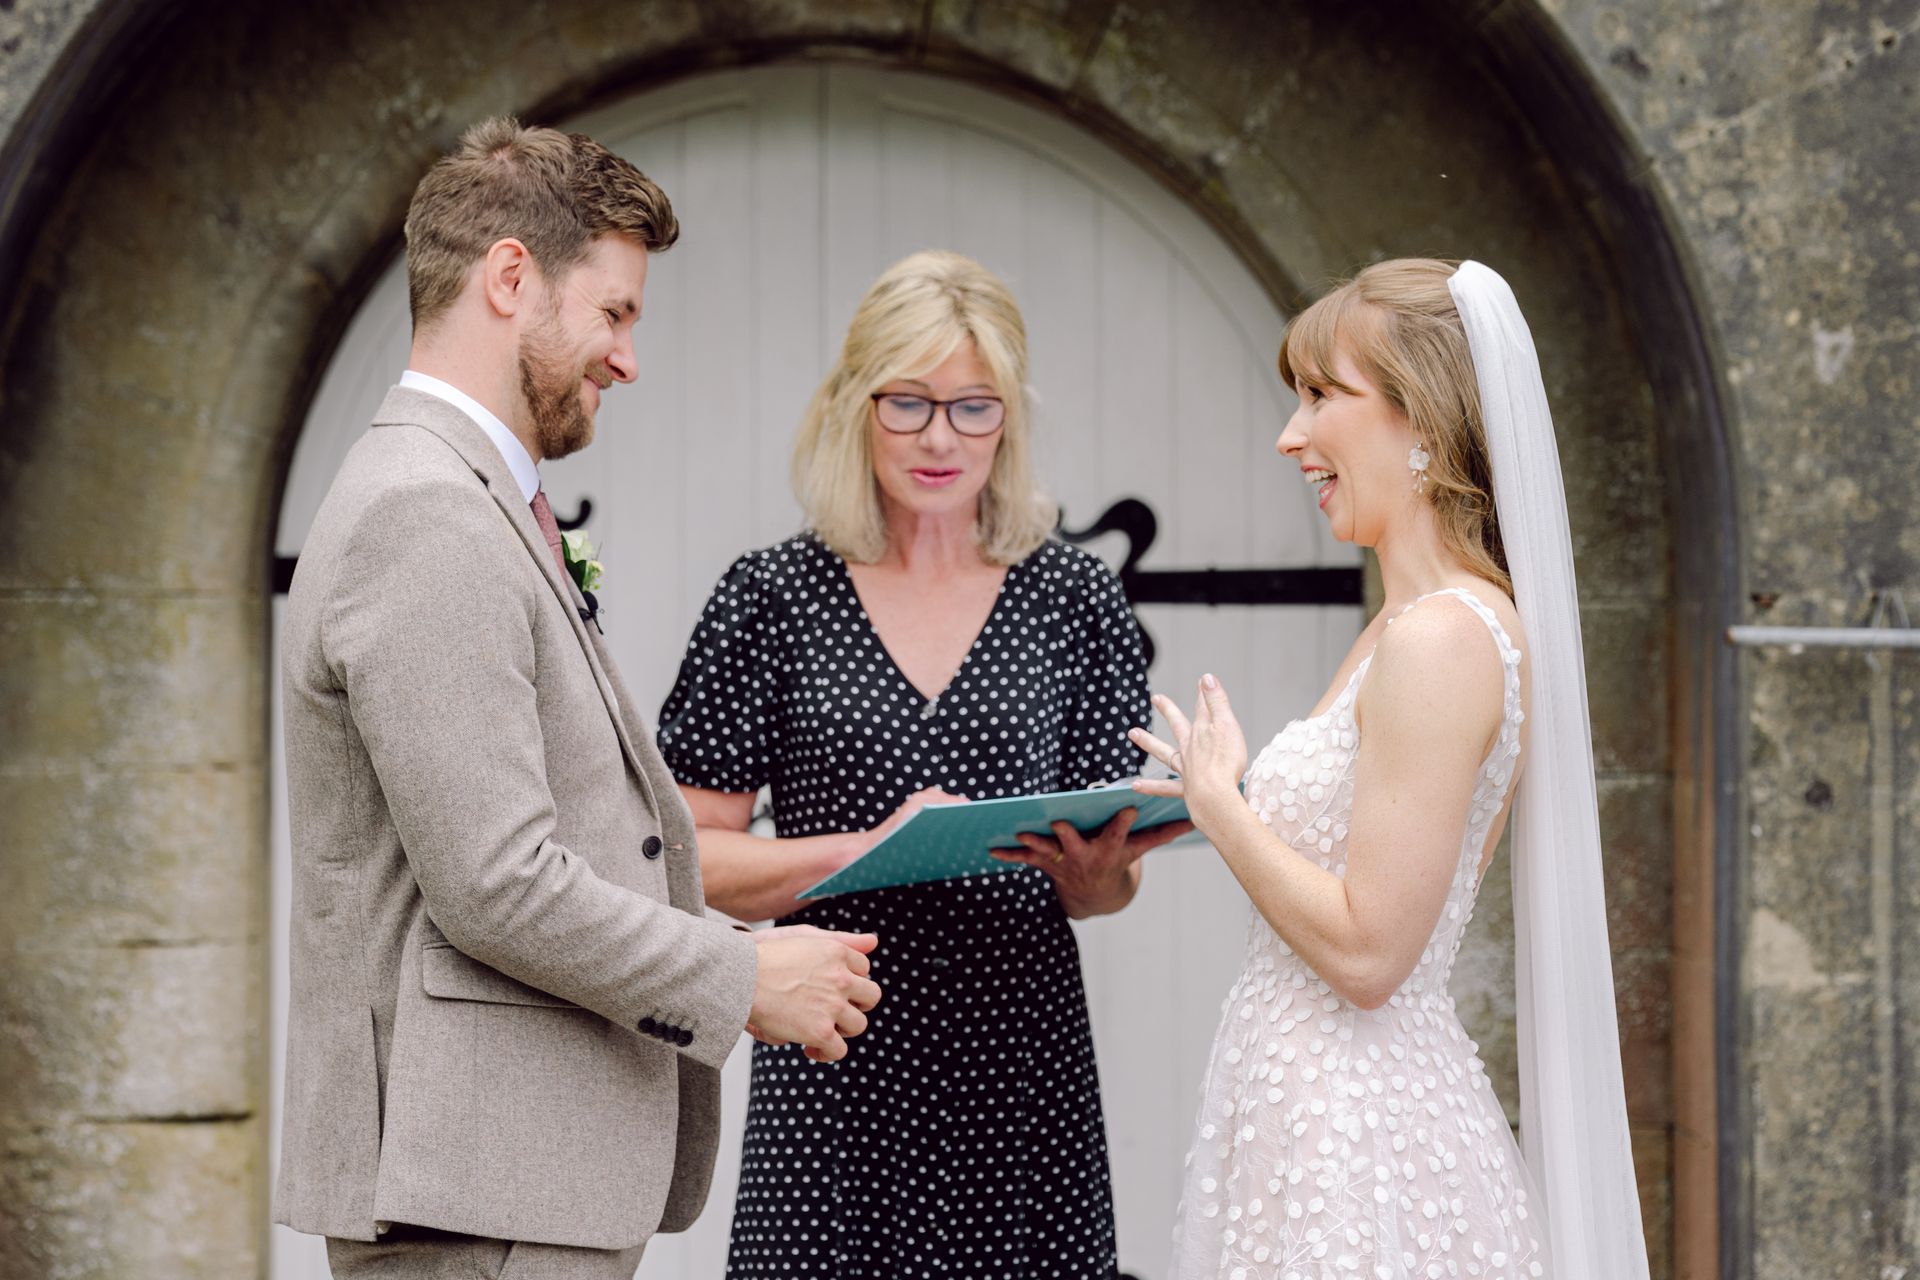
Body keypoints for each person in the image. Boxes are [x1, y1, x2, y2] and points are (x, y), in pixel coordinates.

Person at [274, 117, 880, 1280]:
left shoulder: (469, 498)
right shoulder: (427, 515)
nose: (627, 356)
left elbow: (558, 850)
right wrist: (742, 977)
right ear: (512, 277)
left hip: (510, 1184)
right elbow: (497, 881)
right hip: (476, 1199)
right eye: (614, 311)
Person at [658, 249, 1192, 1278]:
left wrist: (1098, 872)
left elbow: (1109, 881)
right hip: (831, 1042)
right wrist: (872, 846)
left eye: (972, 407)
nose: (941, 437)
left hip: (1018, 1062)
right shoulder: (771, 596)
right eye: (908, 403)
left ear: (1010, 419)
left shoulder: (1073, 599)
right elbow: (686, 856)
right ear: (855, 407)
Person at [1137, 260, 1648, 1279]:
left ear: (1425, 421)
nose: (1292, 436)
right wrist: (1230, 795)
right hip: (1304, 1119)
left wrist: (1219, 811)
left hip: (1361, 1145)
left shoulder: (1442, 639)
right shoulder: (1400, 628)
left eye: (1324, 397)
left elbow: (1373, 955)